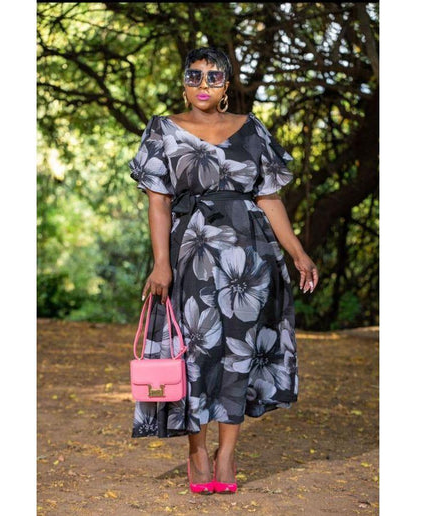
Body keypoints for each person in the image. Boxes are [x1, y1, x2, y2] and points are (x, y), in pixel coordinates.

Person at [128, 46, 319, 494]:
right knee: (194, 352)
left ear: (227, 86)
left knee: (238, 352)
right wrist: (161, 263)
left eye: (214, 77)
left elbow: (269, 197)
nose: (203, 85)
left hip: (250, 259)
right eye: (194, 75)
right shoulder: (163, 129)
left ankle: (227, 452)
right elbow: (159, 202)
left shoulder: (251, 129)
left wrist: (297, 251)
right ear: (183, 82)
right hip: (190, 256)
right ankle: (197, 450)